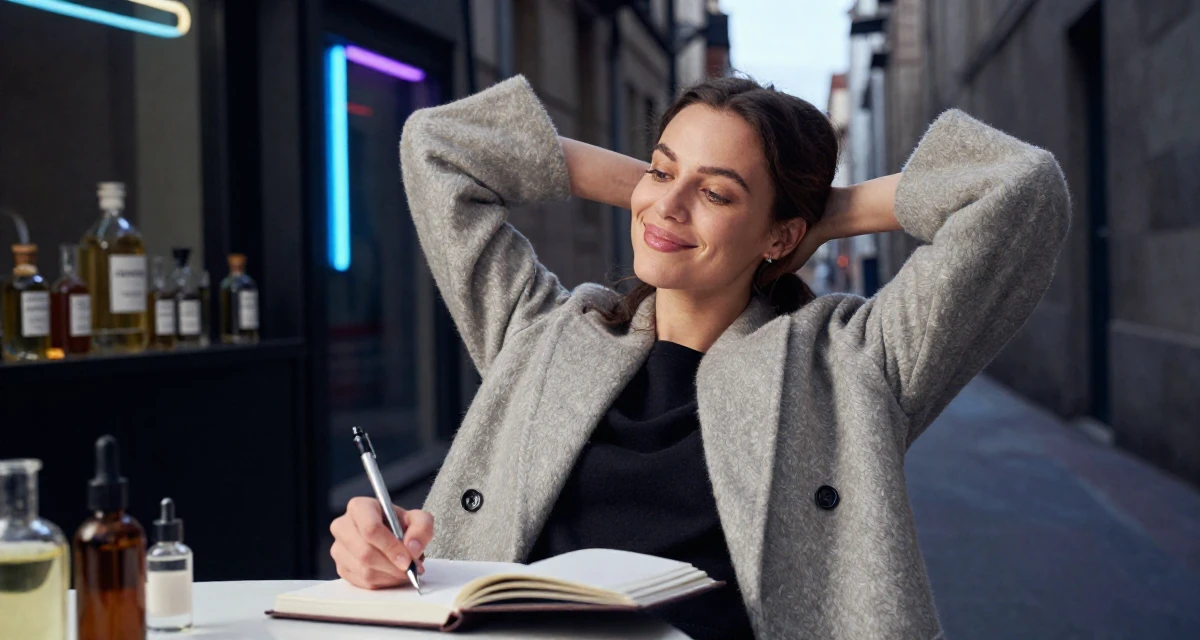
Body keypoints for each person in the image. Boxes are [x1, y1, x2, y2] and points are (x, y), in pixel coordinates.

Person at [329, 75, 1070, 639]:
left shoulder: (853, 363)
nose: (670, 205)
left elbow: (1021, 188)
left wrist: (827, 214)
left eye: (716, 192)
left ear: (781, 236)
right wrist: (657, 195)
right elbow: (438, 145)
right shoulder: (543, 331)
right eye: (661, 167)